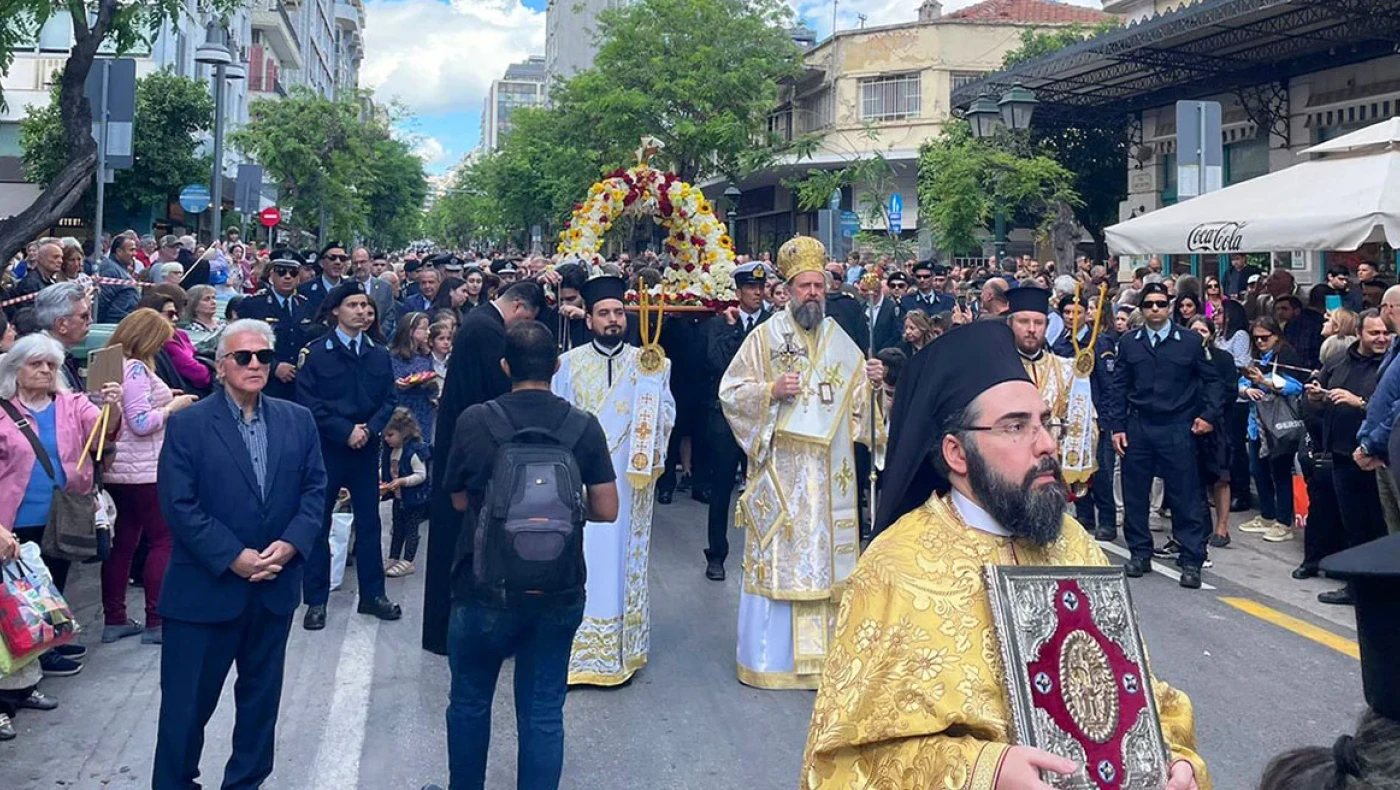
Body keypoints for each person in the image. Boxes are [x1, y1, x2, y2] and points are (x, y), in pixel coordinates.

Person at [811, 320, 1207, 789]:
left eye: (1045, 422)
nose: (1046, 444)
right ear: (957, 453)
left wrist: (1176, 761)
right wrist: (984, 771)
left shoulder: (1074, 543)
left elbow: (1140, 696)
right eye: (1016, 427)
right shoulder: (894, 570)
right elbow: (845, 761)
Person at [435, 320, 618, 790]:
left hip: (482, 587)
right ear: (556, 367)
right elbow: (607, 508)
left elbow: (456, 499)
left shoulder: (475, 421)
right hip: (557, 589)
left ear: (504, 367)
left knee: (470, 701)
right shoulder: (582, 425)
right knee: (542, 709)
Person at [152, 319, 327, 790]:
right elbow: (178, 504)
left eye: (264, 357)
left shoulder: (297, 420)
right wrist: (233, 556)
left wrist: (291, 545)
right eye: (244, 357)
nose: (255, 365)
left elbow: (315, 491)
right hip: (204, 592)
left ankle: (245, 784)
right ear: (221, 365)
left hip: (273, 590)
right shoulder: (188, 423)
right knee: (186, 711)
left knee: (259, 707)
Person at [719, 236, 886, 689]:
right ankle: (772, 660)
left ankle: (826, 660)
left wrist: (875, 385)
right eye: (804, 286)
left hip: (831, 475)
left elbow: (861, 412)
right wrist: (770, 392)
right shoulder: (764, 338)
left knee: (827, 561)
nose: (813, 293)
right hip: (783, 471)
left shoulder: (840, 341)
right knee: (782, 557)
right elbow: (730, 393)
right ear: (787, 290)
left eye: (819, 286)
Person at [551, 275, 675, 685]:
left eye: (619, 312)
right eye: (603, 313)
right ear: (588, 319)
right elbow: (556, 419)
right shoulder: (568, 364)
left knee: (621, 559)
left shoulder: (650, 362)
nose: (612, 320)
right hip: (581, 480)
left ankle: (623, 648)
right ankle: (576, 647)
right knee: (581, 556)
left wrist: (653, 404)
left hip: (630, 479)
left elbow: (668, 418)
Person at [424, 281, 545, 656]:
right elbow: (499, 388)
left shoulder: (479, 323)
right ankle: (449, 632)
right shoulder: (486, 330)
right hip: (468, 447)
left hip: (462, 440)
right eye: (527, 320)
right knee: (459, 543)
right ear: (520, 306)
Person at [0, 334, 122, 679]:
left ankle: (46, 645)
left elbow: (101, 437)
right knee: (18, 592)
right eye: (35, 364)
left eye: (51, 365)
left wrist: (113, 407)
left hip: (62, 513)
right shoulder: (2, 409)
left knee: (51, 585)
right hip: (12, 516)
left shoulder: (73, 403)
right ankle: (29, 657)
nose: (45, 371)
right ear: (15, 369)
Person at [295, 284, 402, 629]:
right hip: (328, 448)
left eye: (364, 305)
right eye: (353, 305)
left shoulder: (378, 353)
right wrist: (345, 431)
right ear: (335, 311)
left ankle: (373, 595)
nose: (361, 311)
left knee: (370, 523)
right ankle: (316, 600)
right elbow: (309, 402)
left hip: (366, 449)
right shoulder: (316, 353)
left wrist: (369, 429)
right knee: (319, 523)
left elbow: (388, 399)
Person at [1108, 281, 1221, 589]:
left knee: (1185, 494)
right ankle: (1139, 553)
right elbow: (1119, 387)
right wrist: (1117, 427)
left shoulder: (1189, 341)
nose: (1155, 309)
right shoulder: (1130, 343)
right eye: (1149, 305)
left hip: (1178, 425)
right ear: (1141, 310)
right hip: (1139, 425)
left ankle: (1191, 559)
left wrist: (1208, 416)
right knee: (1135, 494)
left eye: (1160, 303)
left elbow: (1213, 381)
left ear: (1169, 306)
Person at [103, 309, 198, 645]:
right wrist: (175, 406)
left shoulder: (111, 364)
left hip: (118, 471)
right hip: (145, 470)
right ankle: (156, 619)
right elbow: (142, 423)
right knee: (163, 540)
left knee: (124, 544)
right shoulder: (137, 369)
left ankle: (114, 617)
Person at [1306, 310, 1389, 605]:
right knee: (1353, 525)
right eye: (1374, 333)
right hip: (1341, 456)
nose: (1381, 339)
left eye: (1385, 333)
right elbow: (1316, 400)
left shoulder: (1390, 365)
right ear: (1359, 334)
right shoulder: (1338, 362)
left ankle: (1383, 588)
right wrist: (1315, 396)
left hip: (1379, 459)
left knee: (1382, 527)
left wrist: (1359, 403)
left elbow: (1389, 408)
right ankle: (1357, 588)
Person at [702, 262, 772, 580]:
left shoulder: (774, 325)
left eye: (761, 287)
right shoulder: (721, 325)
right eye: (751, 288)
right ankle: (716, 554)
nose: (758, 293)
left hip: (761, 418)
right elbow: (717, 364)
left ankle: (765, 554)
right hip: (727, 419)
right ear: (739, 291)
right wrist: (733, 331)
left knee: (765, 489)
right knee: (721, 489)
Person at [1050, 291, 1120, 540]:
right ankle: (1085, 514)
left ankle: (1108, 521)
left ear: (1087, 314)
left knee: (1100, 470)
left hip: (1094, 418)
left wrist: (1108, 420)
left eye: (1076, 312)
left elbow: (1109, 384)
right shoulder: (1060, 343)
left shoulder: (1098, 343)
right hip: (1069, 418)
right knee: (1073, 466)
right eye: (1067, 313)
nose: (1071, 317)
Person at [1236, 317, 1305, 544]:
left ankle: (1283, 522)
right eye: (1256, 338)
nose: (1260, 342)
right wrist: (1247, 389)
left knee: (1280, 473)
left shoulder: (1285, 356)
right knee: (1259, 470)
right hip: (1258, 425)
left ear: (1276, 335)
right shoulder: (1258, 357)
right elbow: (1242, 381)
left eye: (1265, 337)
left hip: (1279, 426)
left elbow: (1296, 386)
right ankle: (1267, 514)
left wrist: (1264, 382)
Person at [236, 250, 315, 402]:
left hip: (300, 383)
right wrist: (274, 367)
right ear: (271, 276)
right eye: (281, 272)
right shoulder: (253, 304)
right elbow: (243, 344)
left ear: (298, 277)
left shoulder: (306, 305)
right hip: (266, 382)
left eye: (293, 273)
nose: (287, 277)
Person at [1188, 316, 1238, 549]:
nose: (1199, 334)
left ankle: (1222, 527)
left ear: (1211, 334)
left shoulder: (1223, 358)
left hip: (1217, 426)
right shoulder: (1184, 357)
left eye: (1203, 330)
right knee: (1192, 480)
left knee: (1221, 478)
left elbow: (1229, 391)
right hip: (1188, 424)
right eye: (1194, 330)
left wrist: (1210, 414)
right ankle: (1200, 527)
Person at [381, 407, 430, 578]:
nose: (387, 439)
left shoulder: (413, 452)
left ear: (403, 432)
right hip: (398, 497)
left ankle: (408, 560)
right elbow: (389, 471)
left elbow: (421, 475)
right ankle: (393, 556)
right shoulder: (391, 452)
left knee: (411, 529)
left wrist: (403, 481)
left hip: (414, 499)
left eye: (390, 435)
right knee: (397, 528)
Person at [390, 311, 438, 445]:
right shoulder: (396, 356)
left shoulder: (426, 356)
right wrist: (402, 382)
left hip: (423, 409)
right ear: (411, 331)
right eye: (423, 328)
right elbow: (395, 380)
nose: (428, 332)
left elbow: (431, 383)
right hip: (404, 411)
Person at [299, 242, 350, 316]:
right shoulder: (304, 290)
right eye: (332, 258)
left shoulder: (350, 288)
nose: (338, 262)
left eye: (342, 258)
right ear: (321, 263)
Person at [180, 284, 224, 349]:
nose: (213, 302)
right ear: (194, 304)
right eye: (207, 299)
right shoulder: (188, 327)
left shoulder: (223, 323)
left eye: (213, 298)